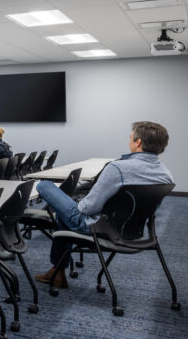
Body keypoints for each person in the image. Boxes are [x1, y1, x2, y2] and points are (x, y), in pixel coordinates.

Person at [34, 121, 173, 287]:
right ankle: (56, 273)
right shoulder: (166, 174)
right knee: (63, 218)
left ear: (138, 142)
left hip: (97, 226)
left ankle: (57, 271)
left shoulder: (118, 168)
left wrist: (79, 201)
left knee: (44, 185)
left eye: (131, 137)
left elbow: (87, 208)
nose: (129, 140)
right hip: (133, 231)